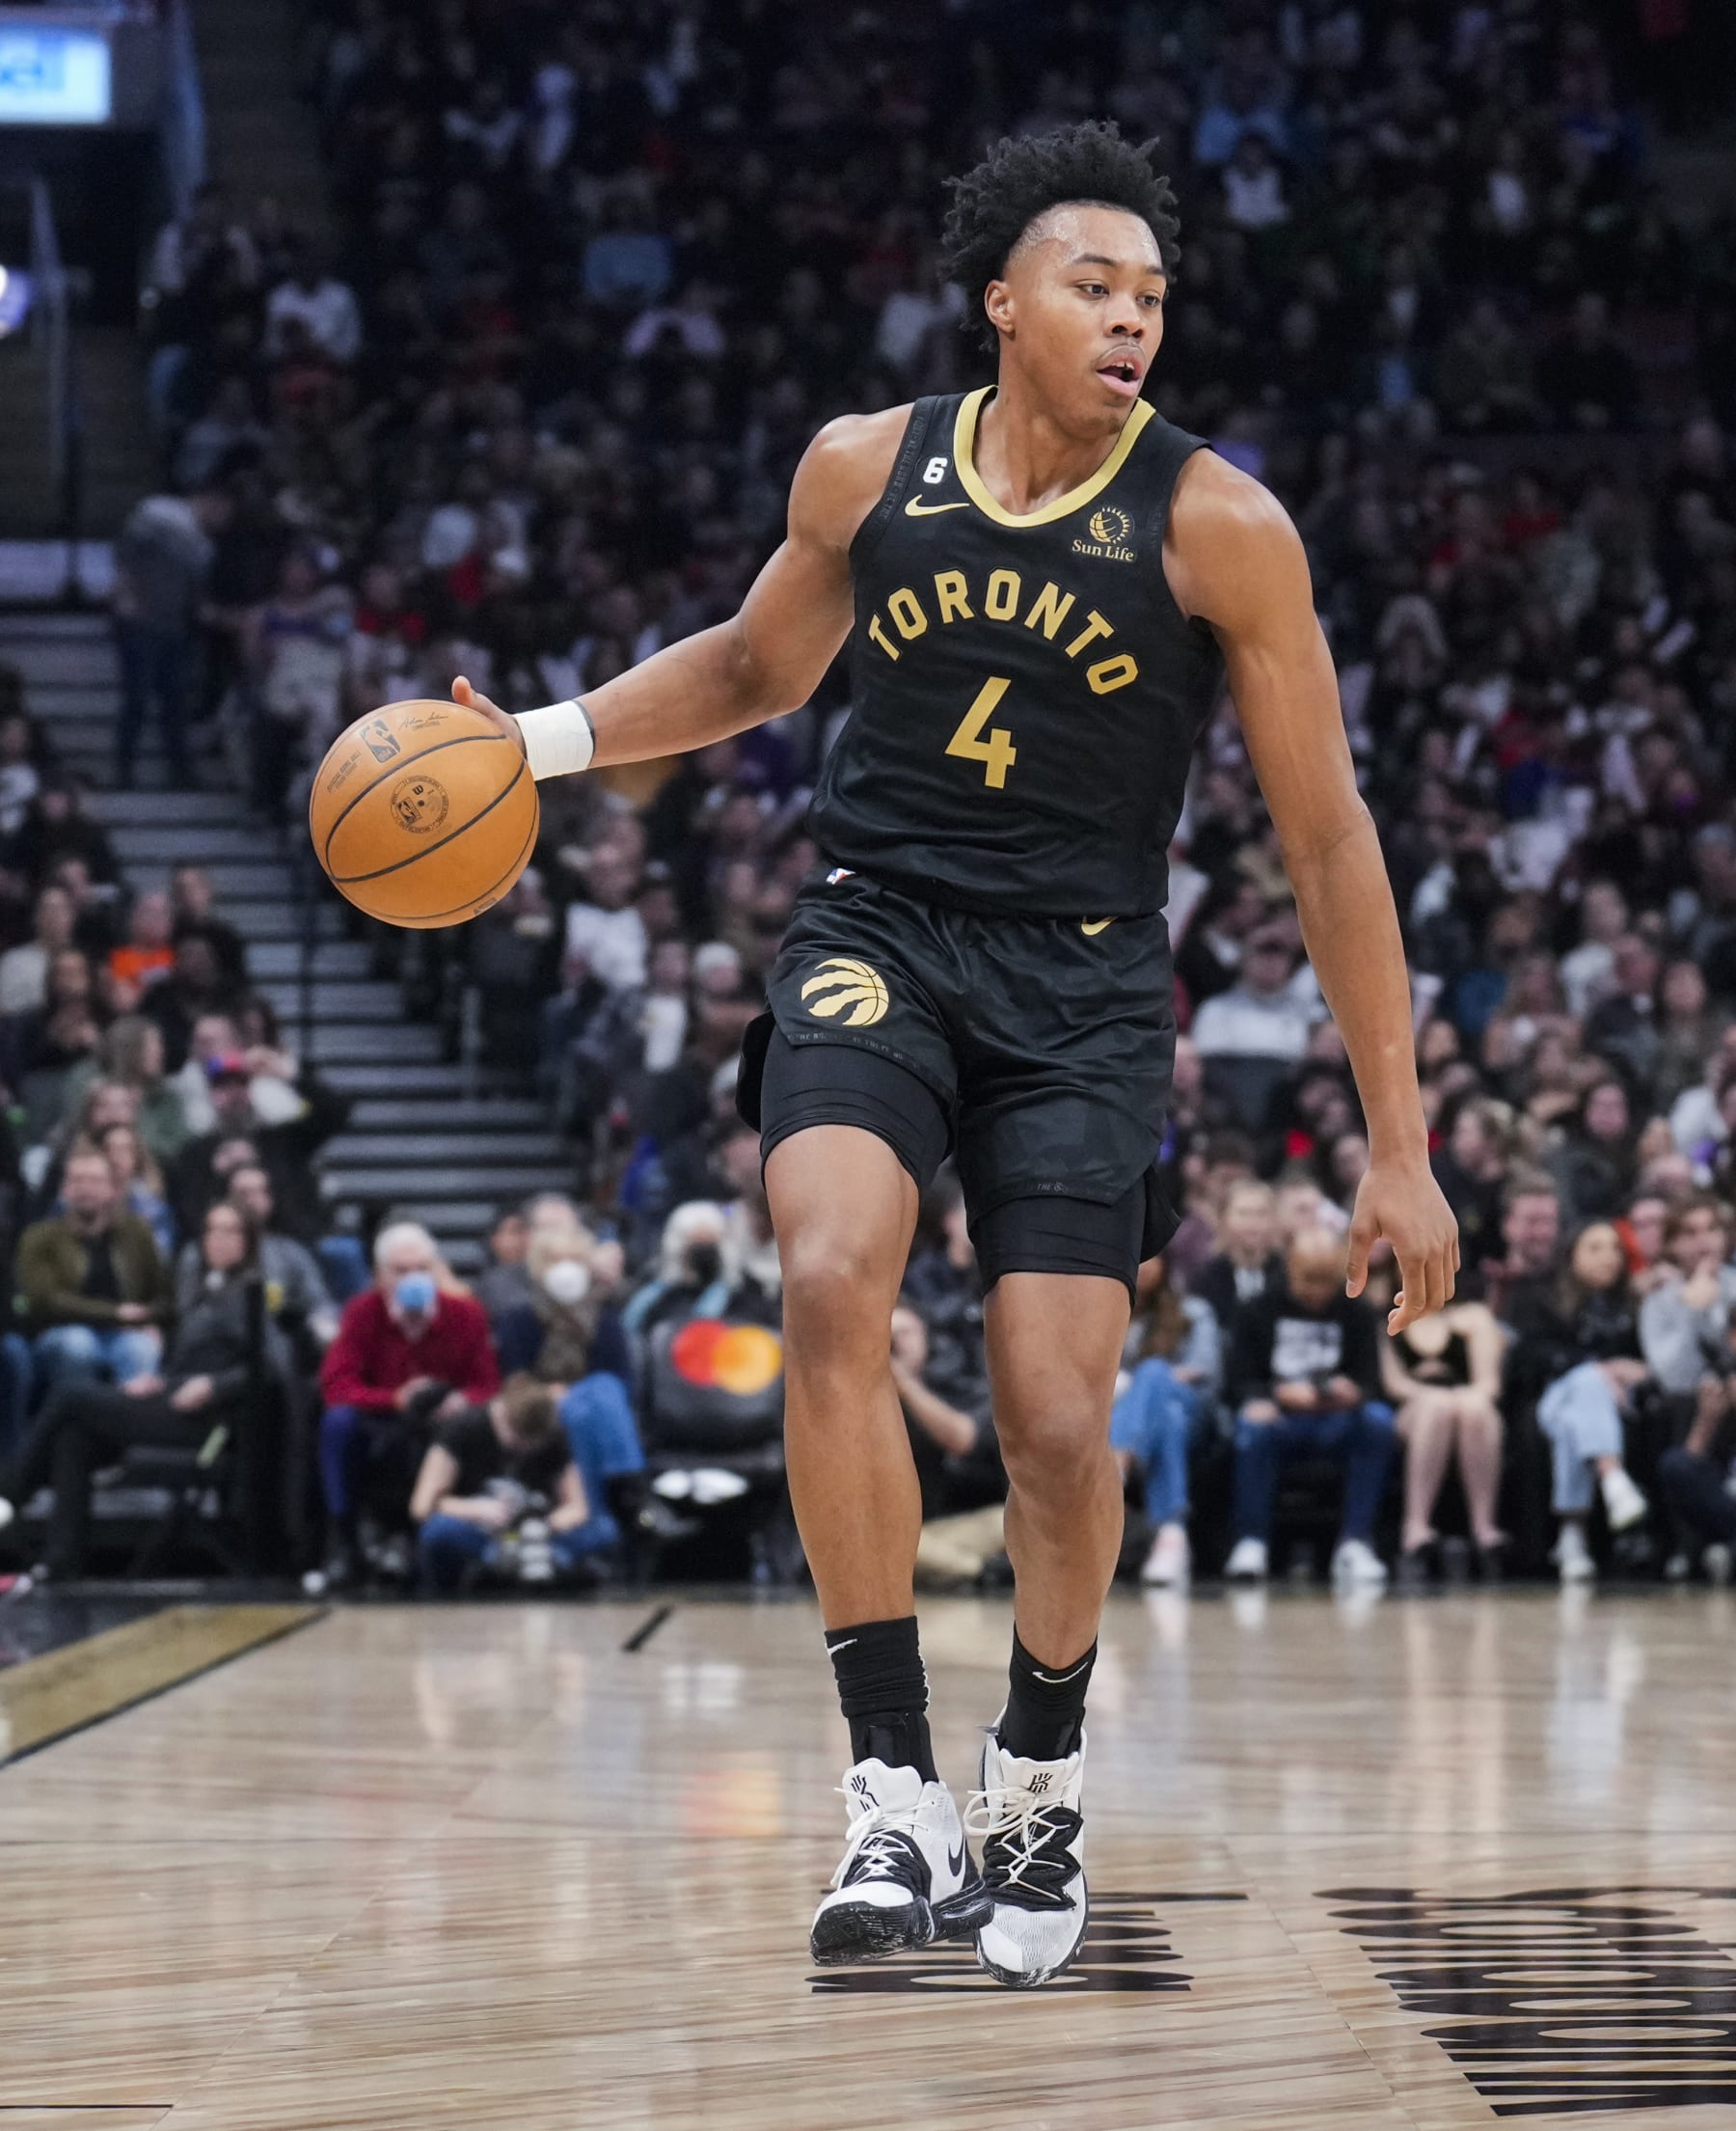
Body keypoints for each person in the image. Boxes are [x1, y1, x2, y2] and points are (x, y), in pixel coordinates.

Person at [454, 121, 1456, 1987]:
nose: (1133, 319)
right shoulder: (866, 466)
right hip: (879, 933)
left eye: (1155, 296)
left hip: (1079, 982)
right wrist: (531, 739)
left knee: (1058, 1418)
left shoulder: (1218, 522)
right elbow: (755, 670)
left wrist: (1396, 1139)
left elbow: (1328, 842)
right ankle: (892, 1781)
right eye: (1097, 285)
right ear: (1005, 300)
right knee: (830, 1270)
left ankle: (1041, 1772)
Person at [2, 1200, 288, 1577]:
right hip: (175, 1402)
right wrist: (162, 1380)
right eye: (210, 1230)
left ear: (247, 1241)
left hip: (209, 1423)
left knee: (72, 1396)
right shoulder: (207, 1290)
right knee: (75, 1435)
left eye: (228, 1231)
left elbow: (274, 1366)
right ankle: (61, 1562)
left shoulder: (247, 1295)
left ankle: (9, 1495)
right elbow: (198, 1361)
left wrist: (214, 1386)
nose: (215, 1239)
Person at [317, 1221, 500, 1584]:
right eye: (401, 1271)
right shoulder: (360, 1313)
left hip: (447, 1421)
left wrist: (461, 1401)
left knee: (480, 1426)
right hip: (383, 1419)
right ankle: (345, 1535)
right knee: (337, 1424)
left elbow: (488, 1385)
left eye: (422, 1269)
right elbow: (336, 1386)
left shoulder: (467, 1314)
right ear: (380, 1276)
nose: (413, 1279)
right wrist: (394, 1399)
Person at [1223, 1227, 1397, 1587]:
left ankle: (1354, 1542)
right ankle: (1251, 1540)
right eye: (1309, 1280)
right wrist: (1276, 1394)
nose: (1317, 1291)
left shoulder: (1359, 1313)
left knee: (1379, 1422)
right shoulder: (1256, 1310)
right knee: (1251, 1427)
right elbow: (1237, 1382)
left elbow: (1371, 1381)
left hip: (1337, 1420)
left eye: (1326, 1281)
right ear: (1290, 1268)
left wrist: (1353, 1393)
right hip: (1280, 1421)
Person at [1525, 1221, 1653, 1583]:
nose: (1608, 1257)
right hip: (1555, 1397)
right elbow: (1530, 1357)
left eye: (1614, 1248)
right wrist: (1597, 1370)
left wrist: (1637, 1370)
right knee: (1586, 1382)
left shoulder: (1634, 1304)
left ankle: (1571, 1535)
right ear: (1572, 1255)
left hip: (1614, 1405)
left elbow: (1652, 1362)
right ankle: (1612, 1476)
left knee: (1574, 1424)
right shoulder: (1545, 1299)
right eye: (1594, 1248)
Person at [409, 1374, 601, 1595]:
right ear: (502, 1415)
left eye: (532, 1444)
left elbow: (578, 1507)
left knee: (602, 1530)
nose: (524, 1449)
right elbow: (421, 1505)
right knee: (438, 1530)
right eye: (519, 1440)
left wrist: (544, 1526)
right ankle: (510, 1566)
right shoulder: (462, 1428)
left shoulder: (552, 1435)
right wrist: (474, 1510)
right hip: (481, 1532)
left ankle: (540, 1562)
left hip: (535, 1535)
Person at [1375, 1283, 1508, 1580]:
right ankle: (1415, 1527)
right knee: (1436, 1408)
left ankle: (1484, 1528)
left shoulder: (1474, 1316)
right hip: (1413, 1410)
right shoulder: (1387, 1316)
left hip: (1469, 1406)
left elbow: (1489, 1384)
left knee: (1476, 1410)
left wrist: (1461, 1399)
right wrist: (1434, 1396)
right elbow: (1394, 1384)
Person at [16, 1149, 171, 1391]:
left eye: (95, 1180)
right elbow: (45, 1300)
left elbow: (162, 1294)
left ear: (112, 1188)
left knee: (141, 1347)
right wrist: (117, 1313)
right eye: (77, 1180)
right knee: (78, 1345)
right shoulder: (40, 1236)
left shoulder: (136, 1233)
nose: (85, 1188)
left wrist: (150, 1321)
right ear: (64, 1188)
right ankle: (79, 1422)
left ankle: (131, 1424)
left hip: (125, 1334)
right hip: (61, 1332)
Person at [1108, 1255, 1221, 1587]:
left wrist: (1135, 1383)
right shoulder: (1101, 1310)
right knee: (1166, 1418)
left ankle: (1117, 1468)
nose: (1141, 1265)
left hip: (1194, 1412)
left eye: (1148, 1258)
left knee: (1155, 1374)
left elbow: (1204, 1375)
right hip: (1134, 1417)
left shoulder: (1194, 1312)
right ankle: (1171, 1536)